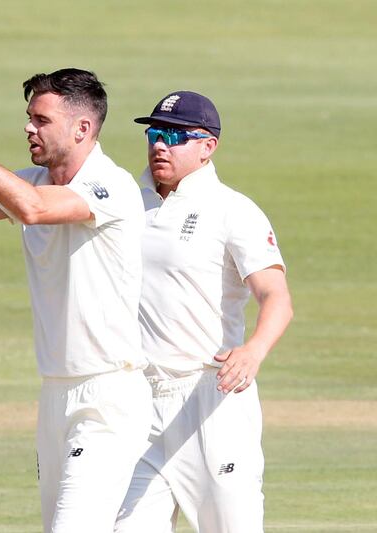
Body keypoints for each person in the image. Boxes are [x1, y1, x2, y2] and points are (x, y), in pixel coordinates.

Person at [0, 66, 152, 533]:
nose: (28, 127)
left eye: (41, 120)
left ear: (82, 128)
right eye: (29, 117)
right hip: (55, 395)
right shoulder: (29, 181)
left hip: (108, 397)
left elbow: (34, 210)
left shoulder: (112, 186)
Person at [114, 91, 293, 533]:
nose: (159, 144)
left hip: (210, 398)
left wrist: (253, 351)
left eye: (174, 136)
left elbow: (277, 298)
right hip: (137, 402)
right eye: (154, 133)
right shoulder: (127, 203)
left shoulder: (233, 210)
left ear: (208, 146)